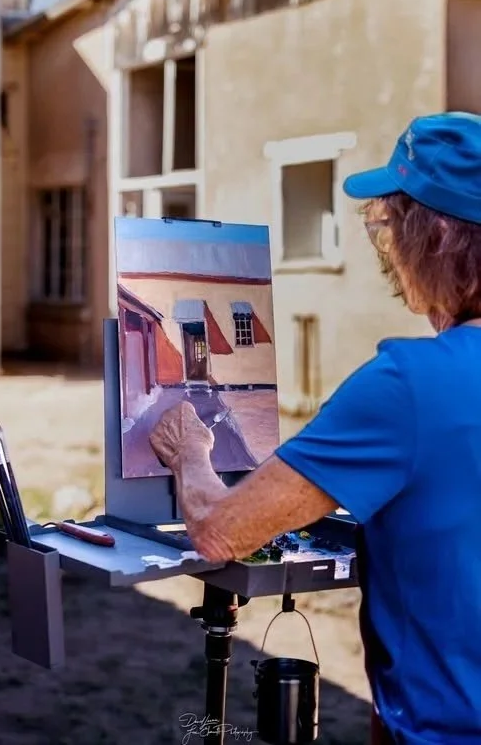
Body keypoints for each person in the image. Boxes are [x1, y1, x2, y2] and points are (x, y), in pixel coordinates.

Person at [150, 112, 481, 744]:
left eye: (392, 228)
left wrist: (191, 452)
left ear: (437, 238)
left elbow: (221, 530)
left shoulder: (409, 384)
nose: (390, 253)